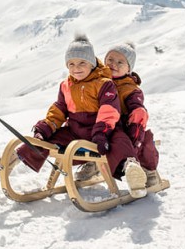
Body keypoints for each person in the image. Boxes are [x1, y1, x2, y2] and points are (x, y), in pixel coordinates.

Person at [16, 34, 149, 196]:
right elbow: (59, 109)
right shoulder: (74, 84)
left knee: (119, 142)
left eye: (120, 62)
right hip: (77, 130)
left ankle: (131, 170)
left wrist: (109, 133)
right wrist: (45, 128)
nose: (114, 64)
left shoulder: (108, 84)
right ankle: (9, 162)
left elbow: (111, 111)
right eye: (71, 64)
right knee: (44, 139)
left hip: (108, 128)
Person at [95, 41, 161, 192]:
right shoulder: (97, 81)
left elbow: (136, 104)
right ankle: (93, 165)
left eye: (120, 62)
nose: (113, 64)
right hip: (101, 125)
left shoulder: (130, 89)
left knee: (144, 142)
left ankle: (148, 171)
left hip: (123, 127)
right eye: (110, 59)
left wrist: (137, 110)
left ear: (129, 69)